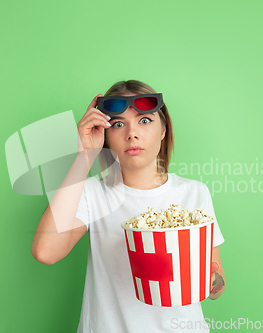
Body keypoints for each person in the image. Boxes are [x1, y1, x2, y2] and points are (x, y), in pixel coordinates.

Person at [31, 80, 226, 332]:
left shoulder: (194, 193)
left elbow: (217, 285)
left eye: (144, 121)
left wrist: (207, 279)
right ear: (106, 136)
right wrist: (84, 157)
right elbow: (45, 252)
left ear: (164, 130)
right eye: (118, 124)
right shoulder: (93, 193)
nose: (132, 133)